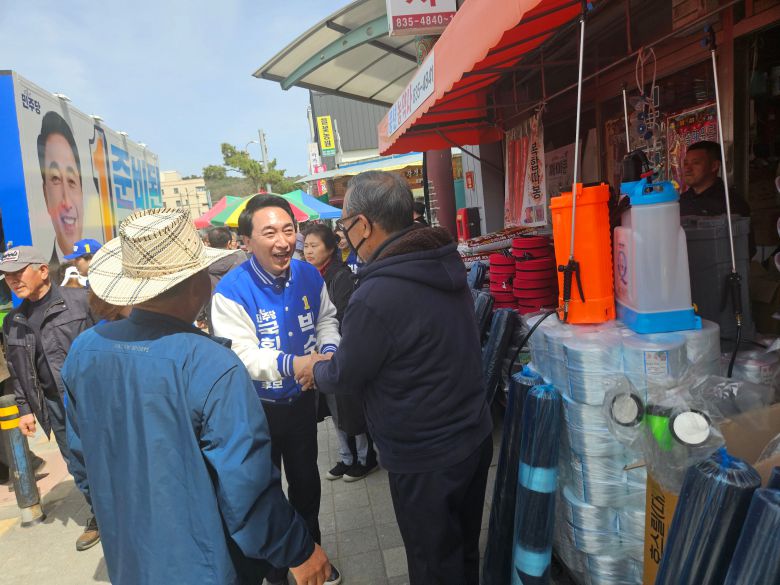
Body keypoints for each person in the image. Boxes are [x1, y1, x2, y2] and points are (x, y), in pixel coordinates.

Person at [61, 208, 331, 585]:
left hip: (130, 555)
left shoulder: (85, 350)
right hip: (209, 561)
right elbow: (246, 485)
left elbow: (80, 458)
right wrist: (298, 550)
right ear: (197, 284)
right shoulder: (211, 363)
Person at [304, 171, 493, 585]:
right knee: (461, 551)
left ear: (364, 225)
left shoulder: (377, 294)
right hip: (473, 435)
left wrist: (313, 368)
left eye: (344, 224)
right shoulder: (442, 258)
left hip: (426, 455)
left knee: (431, 563)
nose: (343, 234)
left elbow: (345, 373)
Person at [211, 195, 342, 585]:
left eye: (289, 230)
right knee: (264, 494)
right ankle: (275, 573)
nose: (283, 241)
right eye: (269, 233)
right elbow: (242, 354)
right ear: (247, 241)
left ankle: (312, 559)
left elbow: (327, 320)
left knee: (306, 485)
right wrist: (294, 364)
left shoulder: (308, 274)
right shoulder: (230, 290)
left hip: (301, 403)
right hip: (256, 411)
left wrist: (326, 355)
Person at [0, 245, 99, 550]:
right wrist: (25, 409)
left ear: (43, 270)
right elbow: (18, 371)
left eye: (20, 272)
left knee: (110, 453)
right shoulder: (14, 321)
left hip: (93, 395)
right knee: (76, 460)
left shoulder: (82, 302)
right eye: (7, 276)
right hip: (54, 404)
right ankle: (99, 516)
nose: (13, 280)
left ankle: (128, 508)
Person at [303, 224, 377, 481]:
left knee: (350, 406)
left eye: (314, 246)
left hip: (341, 351)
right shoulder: (310, 276)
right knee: (335, 408)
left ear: (331, 248)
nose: (308, 251)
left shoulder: (340, 275)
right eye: (306, 246)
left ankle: (365, 458)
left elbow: (343, 316)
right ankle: (346, 457)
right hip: (321, 353)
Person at [38, 111, 84, 260]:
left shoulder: (100, 264)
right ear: (45, 196)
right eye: (56, 179)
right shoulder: (45, 273)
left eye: (71, 181)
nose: (67, 203)